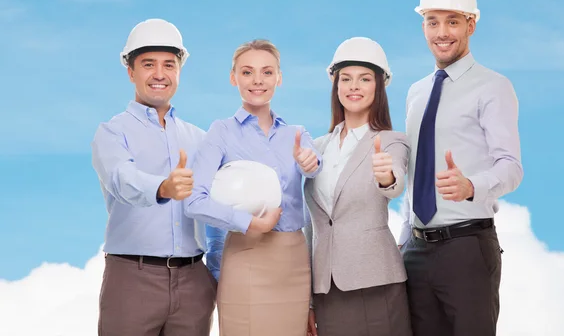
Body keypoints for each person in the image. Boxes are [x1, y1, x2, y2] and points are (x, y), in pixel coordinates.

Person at [397, 0, 524, 336]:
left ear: (471, 24)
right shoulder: (416, 92)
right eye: (432, 22)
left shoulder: (493, 87)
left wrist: (471, 186)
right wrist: (405, 238)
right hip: (416, 250)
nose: (442, 32)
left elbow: (511, 168)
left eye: (452, 21)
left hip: (466, 248)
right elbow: (415, 172)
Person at [91, 18, 224, 336]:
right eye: (148, 64)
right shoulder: (112, 132)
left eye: (169, 64)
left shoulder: (200, 139)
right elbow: (122, 180)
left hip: (194, 280)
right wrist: (163, 187)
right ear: (130, 71)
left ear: (179, 71)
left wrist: (215, 275)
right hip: (132, 279)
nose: (160, 74)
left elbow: (218, 210)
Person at [183, 39, 323, 336]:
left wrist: (309, 163)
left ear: (279, 78)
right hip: (245, 258)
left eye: (267, 72)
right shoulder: (221, 132)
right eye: (247, 72)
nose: (258, 80)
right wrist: (248, 223)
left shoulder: (297, 135)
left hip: (294, 263)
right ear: (233, 78)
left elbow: (315, 167)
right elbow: (194, 200)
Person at [304, 37, 413, 336]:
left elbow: (395, 182)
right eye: (346, 79)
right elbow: (310, 227)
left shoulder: (392, 141)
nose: (354, 86)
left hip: (376, 282)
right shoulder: (316, 148)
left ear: (378, 87)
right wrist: (308, 302)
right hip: (326, 289)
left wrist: (386, 176)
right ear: (335, 85)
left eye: (364, 79)